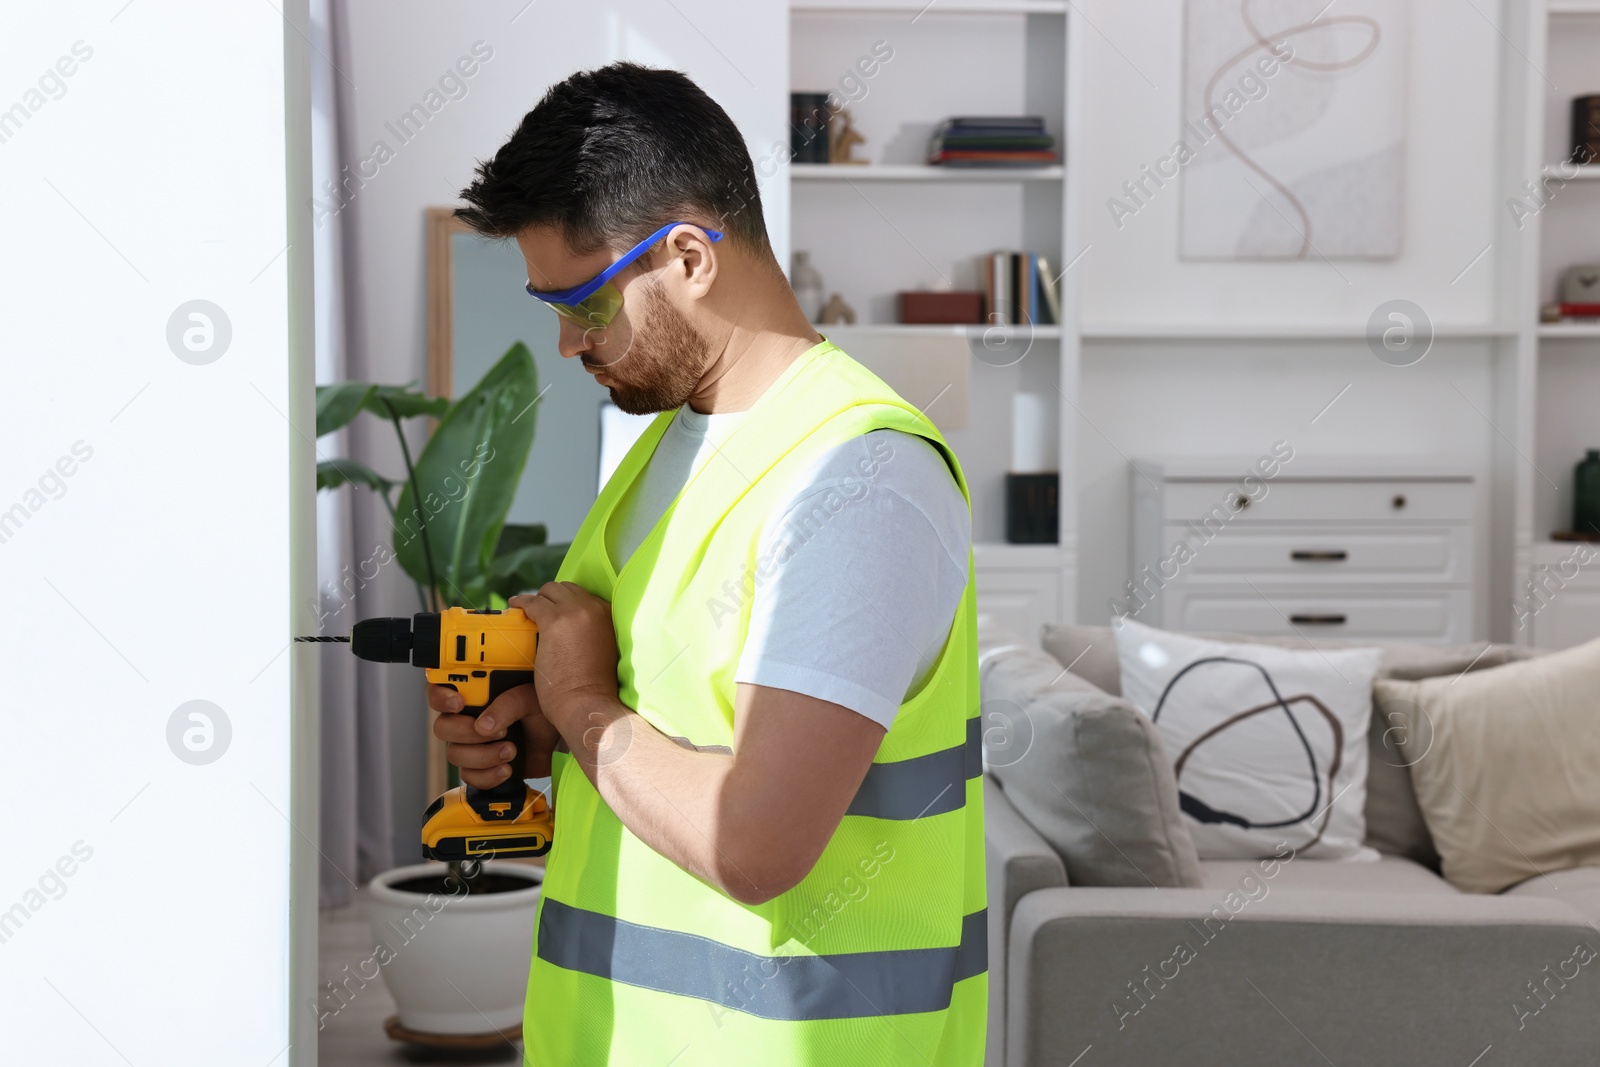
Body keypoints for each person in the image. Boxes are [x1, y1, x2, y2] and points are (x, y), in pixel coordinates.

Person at [432, 62, 984, 1065]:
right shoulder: (662, 449)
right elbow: (657, 728)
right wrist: (544, 731)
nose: (564, 343)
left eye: (587, 305)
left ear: (688, 255)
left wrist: (585, 709)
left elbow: (753, 842)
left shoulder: (858, 480)